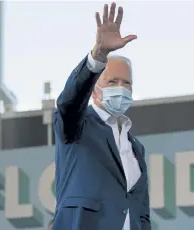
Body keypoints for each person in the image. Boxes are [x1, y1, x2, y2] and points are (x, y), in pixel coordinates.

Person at [52, 2, 151, 230]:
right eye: (112, 81)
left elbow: (141, 210)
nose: (120, 88)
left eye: (126, 83)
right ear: (95, 87)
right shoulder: (77, 125)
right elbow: (69, 100)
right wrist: (99, 56)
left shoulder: (135, 147)